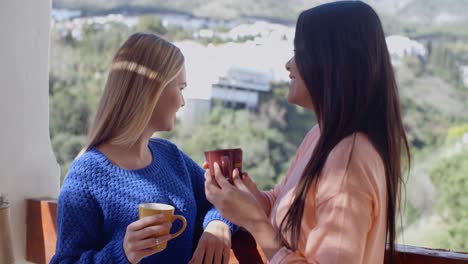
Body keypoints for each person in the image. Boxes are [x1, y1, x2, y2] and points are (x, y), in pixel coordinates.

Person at [204, 1, 410, 263]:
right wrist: (244, 194)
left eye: (300, 52)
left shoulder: (349, 161)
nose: (289, 64)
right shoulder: (321, 135)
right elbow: (285, 202)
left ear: (332, 62)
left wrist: (255, 223)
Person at [51, 32, 236, 264]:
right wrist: (123, 253)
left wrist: (218, 225)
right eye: (180, 88)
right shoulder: (87, 175)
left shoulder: (171, 157)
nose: (182, 102)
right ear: (152, 90)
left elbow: (222, 199)